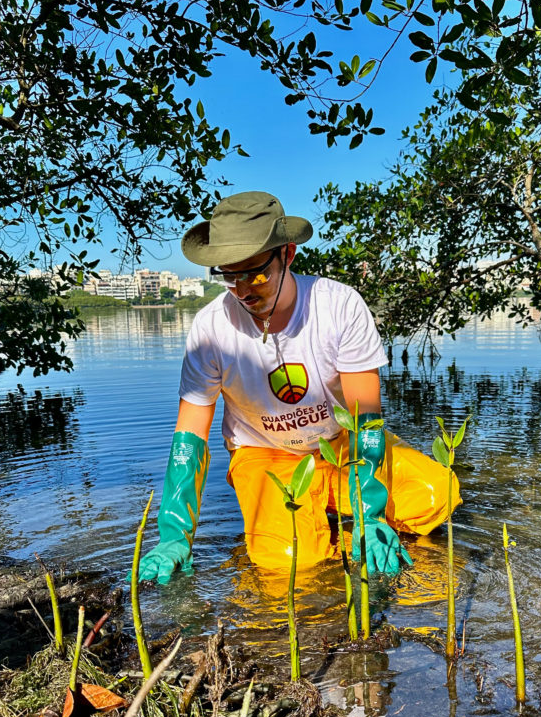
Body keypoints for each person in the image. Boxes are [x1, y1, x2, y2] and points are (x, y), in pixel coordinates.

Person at [139, 191, 458, 582]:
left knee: (435, 495)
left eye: (254, 273)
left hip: (340, 447)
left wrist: (370, 513)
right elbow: (190, 436)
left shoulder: (339, 305)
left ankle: (334, 515)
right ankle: (312, 526)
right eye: (228, 275)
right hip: (264, 453)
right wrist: (174, 534)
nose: (242, 291)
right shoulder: (210, 329)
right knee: (290, 564)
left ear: (287, 254)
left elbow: (366, 420)